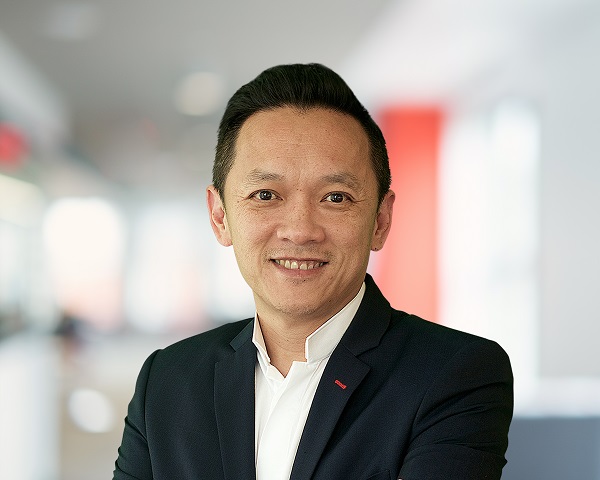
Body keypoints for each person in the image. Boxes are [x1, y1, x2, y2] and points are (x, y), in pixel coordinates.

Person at [113, 63, 513, 480]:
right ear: (220, 216)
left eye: (336, 197)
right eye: (265, 195)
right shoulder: (167, 381)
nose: (300, 230)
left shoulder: (454, 374)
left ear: (380, 220)